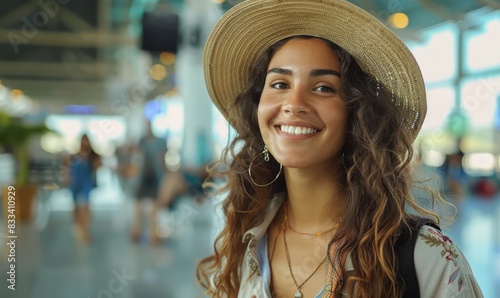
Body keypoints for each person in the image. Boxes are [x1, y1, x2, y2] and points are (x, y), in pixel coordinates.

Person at [196, 1, 483, 297]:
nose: (294, 103)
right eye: (280, 84)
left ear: (358, 114)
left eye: (323, 87)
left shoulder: (425, 258)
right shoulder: (244, 239)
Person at [149, 164, 209, 244]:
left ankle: (161, 203)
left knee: (173, 178)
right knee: (172, 177)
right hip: (191, 180)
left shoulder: (207, 154)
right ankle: (162, 202)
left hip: (199, 182)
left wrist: (193, 169)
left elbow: (207, 168)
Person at [131, 121, 167, 243]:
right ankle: (138, 231)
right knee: (138, 204)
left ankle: (153, 234)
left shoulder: (161, 142)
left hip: (155, 176)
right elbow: (137, 157)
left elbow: (162, 160)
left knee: (155, 205)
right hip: (144, 176)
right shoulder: (142, 141)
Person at [65, 133, 101, 244]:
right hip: (75, 183)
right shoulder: (73, 156)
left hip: (87, 182)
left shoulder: (93, 156)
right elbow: (66, 168)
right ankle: (78, 226)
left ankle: (85, 229)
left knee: (85, 205)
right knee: (75, 205)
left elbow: (98, 166)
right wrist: (67, 177)